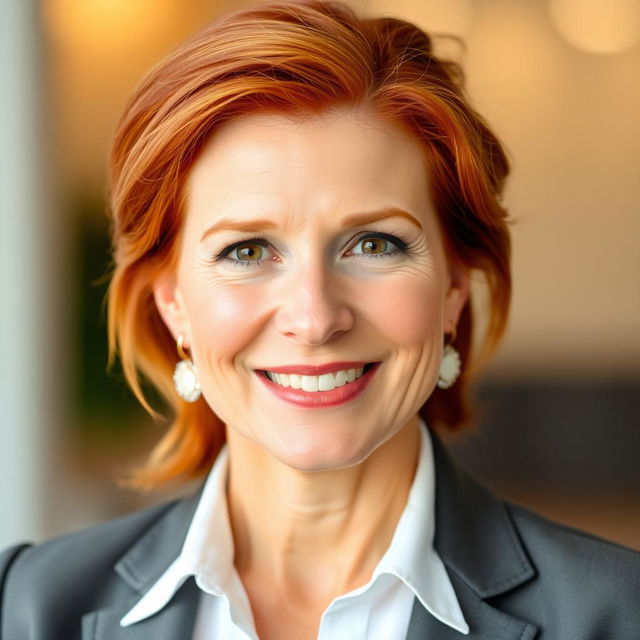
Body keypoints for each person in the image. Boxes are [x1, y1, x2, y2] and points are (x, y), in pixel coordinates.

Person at [1, 1, 639, 638]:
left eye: (374, 244)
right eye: (246, 251)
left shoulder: (617, 614)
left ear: (453, 286)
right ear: (173, 303)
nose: (314, 317)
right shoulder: (24, 607)